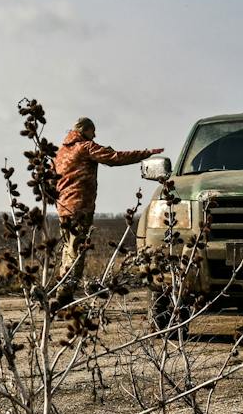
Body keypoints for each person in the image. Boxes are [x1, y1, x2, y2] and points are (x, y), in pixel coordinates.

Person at [51, 117, 162, 287]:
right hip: (80, 207)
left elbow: (51, 179)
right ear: (84, 130)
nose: (95, 135)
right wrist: (145, 153)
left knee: (68, 250)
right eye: (92, 131)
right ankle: (65, 293)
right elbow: (114, 158)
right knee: (77, 252)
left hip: (63, 207)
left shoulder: (60, 152)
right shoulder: (85, 147)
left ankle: (62, 287)